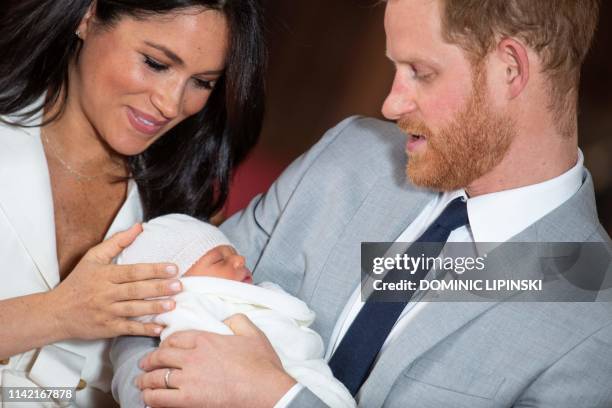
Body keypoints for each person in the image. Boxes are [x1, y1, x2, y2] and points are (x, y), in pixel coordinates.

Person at [112, 0, 612, 407]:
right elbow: (153, 307)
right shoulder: (350, 154)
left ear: (511, 68)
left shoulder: (596, 323)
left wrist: (280, 400)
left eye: (421, 71)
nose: (390, 105)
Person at [0, 0, 264, 406]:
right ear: (88, 17)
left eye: (203, 82)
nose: (172, 104)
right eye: (156, 63)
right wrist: (57, 312)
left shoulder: (186, 212)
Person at [116, 213, 355, 408]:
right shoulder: (188, 307)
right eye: (220, 260)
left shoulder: (258, 295)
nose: (240, 259)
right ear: (175, 285)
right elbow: (198, 359)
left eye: (234, 252)